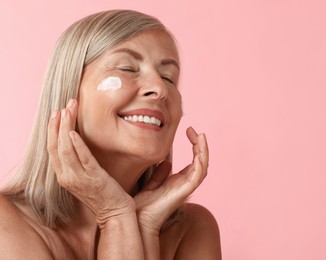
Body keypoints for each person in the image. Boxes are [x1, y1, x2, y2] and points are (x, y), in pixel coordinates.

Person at [0, 9, 221, 259]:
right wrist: (114, 214)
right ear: (69, 92)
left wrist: (143, 226)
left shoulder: (192, 229)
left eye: (169, 78)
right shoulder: (5, 223)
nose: (159, 88)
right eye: (127, 68)